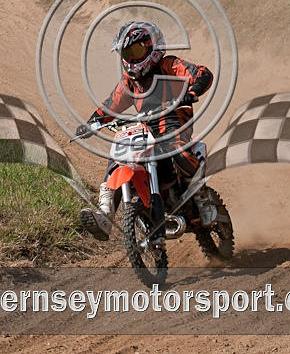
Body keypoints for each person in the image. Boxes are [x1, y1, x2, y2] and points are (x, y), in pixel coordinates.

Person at [76, 21, 215, 241]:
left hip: (174, 121)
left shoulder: (168, 65)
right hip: (146, 128)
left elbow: (202, 73)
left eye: (136, 51)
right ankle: (105, 214)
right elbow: (110, 105)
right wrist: (91, 123)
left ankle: (202, 196)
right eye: (127, 53)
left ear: (152, 47)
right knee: (120, 154)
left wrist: (192, 91)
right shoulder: (129, 82)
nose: (131, 59)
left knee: (177, 151)